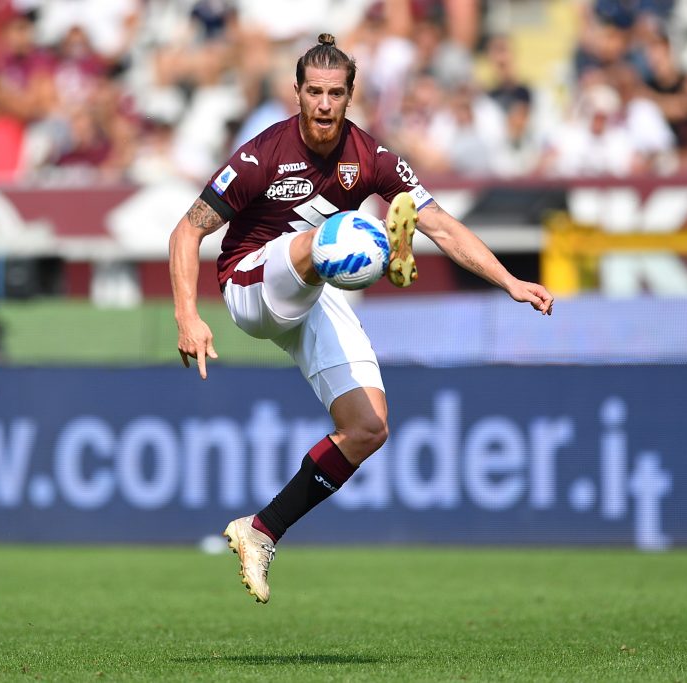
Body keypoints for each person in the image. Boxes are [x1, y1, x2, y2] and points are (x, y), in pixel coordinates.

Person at [168, 34, 553, 604]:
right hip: (251, 282)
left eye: (336, 94)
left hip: (315, 291)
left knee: (370, 427)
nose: (324, 104)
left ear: (351, 96)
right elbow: (187, 230)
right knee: (336, 237)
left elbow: (442, 224)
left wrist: (510, 282)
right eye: (314, 92)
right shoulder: (259, 156)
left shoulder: (371, 156)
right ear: (296, 93)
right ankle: (379, 253)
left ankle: (261, 530)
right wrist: (186, 315)